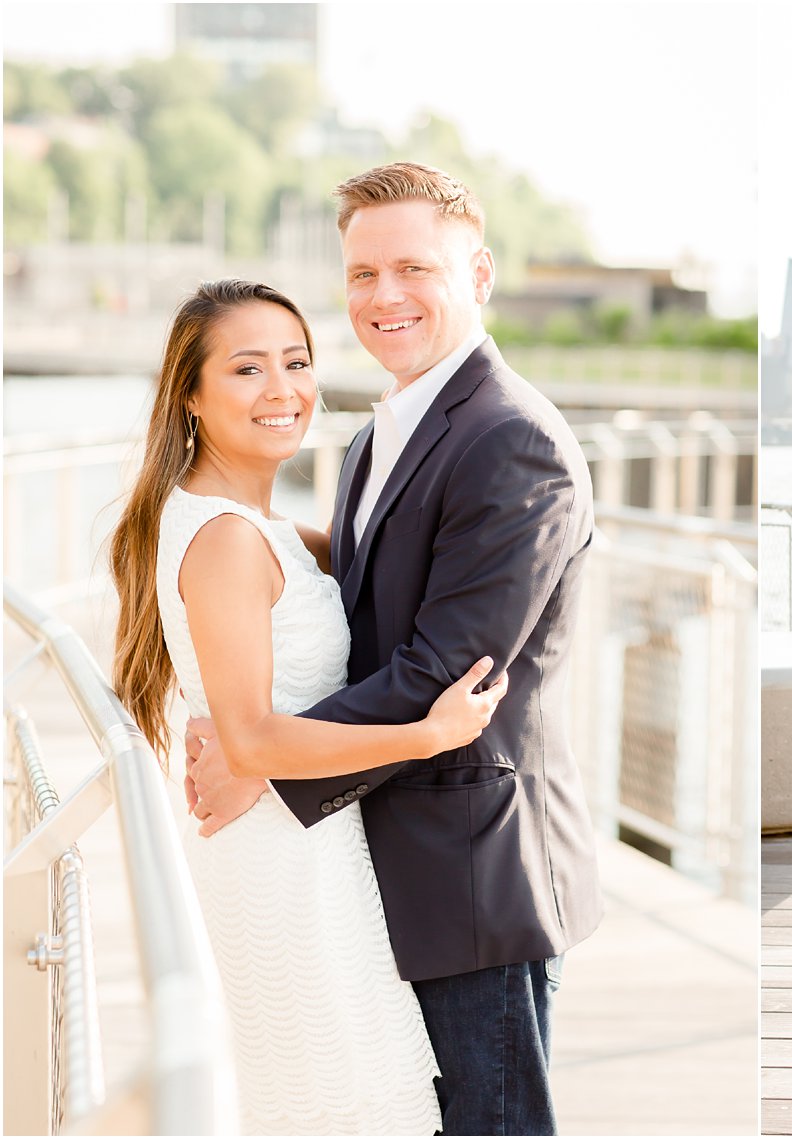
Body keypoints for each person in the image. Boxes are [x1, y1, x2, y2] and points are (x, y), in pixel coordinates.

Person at [184, 163, 604, 1136]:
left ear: (480, 275)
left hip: (475, 875)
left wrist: (261, 753)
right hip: (389, 867)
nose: (383, 296)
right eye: (361, 273)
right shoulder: (384, 434)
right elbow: (375, 587)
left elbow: (442, 671)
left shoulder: (511, 440)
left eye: (412, 267)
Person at [109, 278, 508, 1134]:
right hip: (280, 865)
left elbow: (367, 570)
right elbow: (249, 738)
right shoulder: (223, 538)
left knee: (334, 1097)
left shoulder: (260, 526)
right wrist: (427, 731)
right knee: (334, 1101)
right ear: (190, 394)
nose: (283, 388)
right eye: (247, 368)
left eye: (297, 361)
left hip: (305, 849)